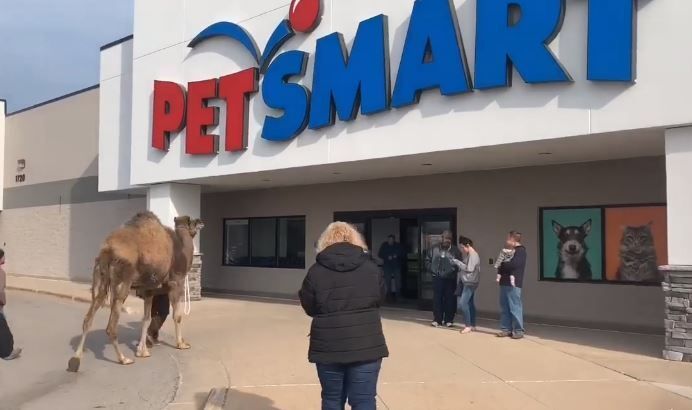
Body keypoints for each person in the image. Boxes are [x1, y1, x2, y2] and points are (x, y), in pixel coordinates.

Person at [299, 222, 389, 410]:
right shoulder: (372, 268)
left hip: (328, 345)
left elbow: (309, 306)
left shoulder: (316, 271)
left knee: (332, 399)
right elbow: (380, 299)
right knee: (364, 400)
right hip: (367, 344)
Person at [497, 231, 527, 339]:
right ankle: (506, 329)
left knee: (515, 307)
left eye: (508, 238)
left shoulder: (521, 251)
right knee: (505, 307)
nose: (506, 241)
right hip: (504, 282)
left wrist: (503, 263)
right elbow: (499, 265)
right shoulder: (509, 251)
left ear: (513, 239)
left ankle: (519, 330)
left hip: (514, 284)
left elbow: (514, 265)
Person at [428, 230, 461, 328]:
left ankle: (449, 320)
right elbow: (427, 261)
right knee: (437, 299)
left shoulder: (455, 251)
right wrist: (433, 269)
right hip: (437, 278)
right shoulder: (434, 249)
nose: (446, 240)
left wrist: (452, 269)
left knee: (450, 299)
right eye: (444, 238)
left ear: (451, 240)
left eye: (448, 239)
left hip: (450, 278)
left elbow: (459, 264)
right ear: (441, 238)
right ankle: (437, 319)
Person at [451, 236, 480, 334]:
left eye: (463, 247)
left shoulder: (473, 255)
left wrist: (457, 262)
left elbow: (469, 268)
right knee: (470, 304)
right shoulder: (470, 255)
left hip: (470, 282)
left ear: (467, 246)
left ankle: (468, 325)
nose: (462, 250)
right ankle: (472, 325)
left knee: (463, 303)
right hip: (468, 281)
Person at [0, 249, 22, 360]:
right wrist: (3, 302)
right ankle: (7, 353)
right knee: (4, 332)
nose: (5, 258)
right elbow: (0, 291)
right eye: (3, 256)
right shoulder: (1, 273)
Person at [377, 234, 404, 301]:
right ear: (388, 239)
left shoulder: (398, 245)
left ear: (394, 240)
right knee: (387, 281)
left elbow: (402, 253)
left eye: (391, 240)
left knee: (398, 281)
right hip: (387, 266)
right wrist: (387, 257)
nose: (390, 241)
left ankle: (398, 296)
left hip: (396, 266)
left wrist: (396, 255)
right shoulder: (384, 245)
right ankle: (388, 296)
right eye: (389, 240)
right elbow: (380, 254)